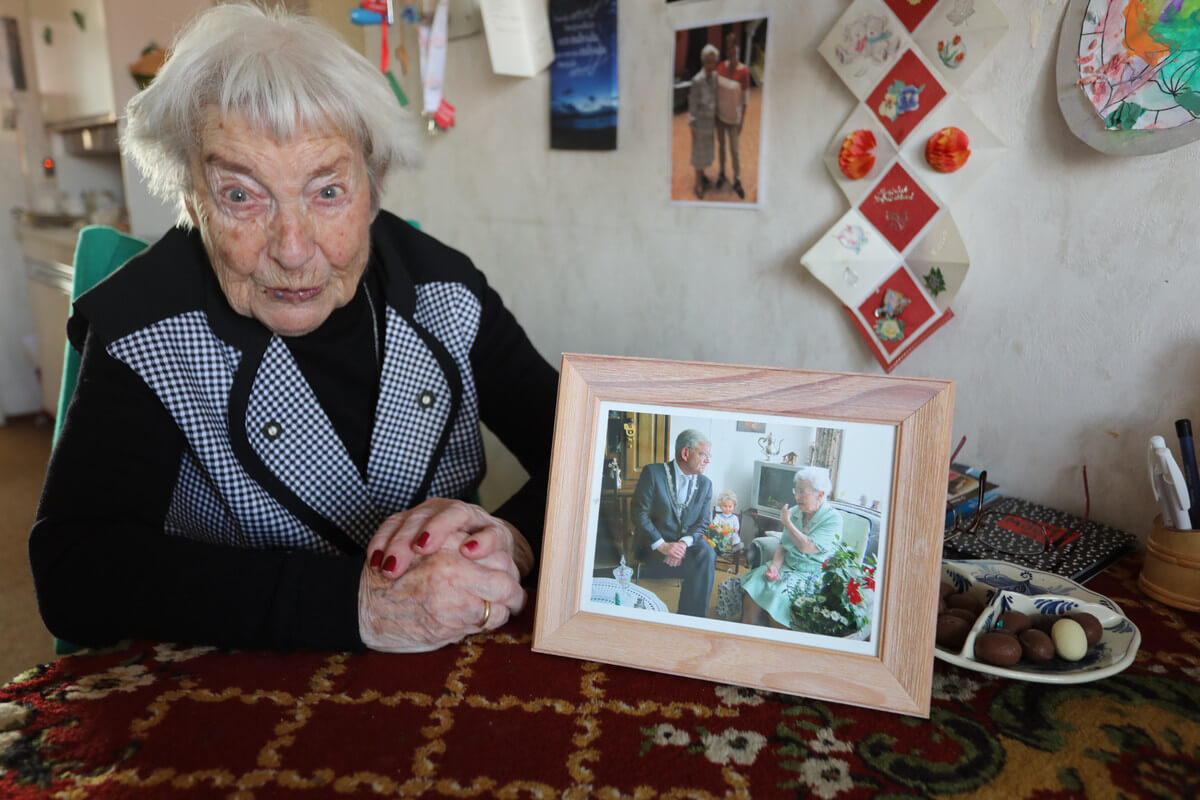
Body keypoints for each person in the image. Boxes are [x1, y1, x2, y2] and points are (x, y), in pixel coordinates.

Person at [28, 3, 558, 654]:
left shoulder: (443, 290)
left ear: (374, 183)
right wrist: (355, 604)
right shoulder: (145, 325)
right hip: (230, 692)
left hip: (439, 674)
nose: (292, 247)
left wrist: (515, 539)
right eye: (241, 196)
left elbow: (588, 457)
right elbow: (73, 573)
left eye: (327, 192)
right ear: (192, 196)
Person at [740, 467, 843, 628]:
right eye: (796, 491)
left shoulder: (833, 520)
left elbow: (807, 547)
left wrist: (787, 523)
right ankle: (744, 631)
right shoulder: (796, 512)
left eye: (802, 492)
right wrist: (774, 566)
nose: (796, 496)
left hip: (809, 574)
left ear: (820, 494)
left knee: (778, 596)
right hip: (787, 566)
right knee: (755, 584)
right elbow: (783, 546)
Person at [631, 429, 715, 617]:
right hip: (654, 544)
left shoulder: (706, 484)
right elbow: (639, 513)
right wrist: (663, 546)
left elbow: (702, 522)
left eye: (709, 456)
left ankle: (691, 617)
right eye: (703, 454)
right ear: (685, 453)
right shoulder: (653, 473)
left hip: (684, 543)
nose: (708, 460)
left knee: (707, 553)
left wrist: (682, 545)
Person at [715, 32, 750, 200]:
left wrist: (742, 121)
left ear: (738, 50)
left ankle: (737, 179)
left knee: (735, 151)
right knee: (721, 147)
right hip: (720, 117)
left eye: (734, 50)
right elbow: (716, 92)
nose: (732, 53)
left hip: (734, 120)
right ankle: (722, 173)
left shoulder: (743, 72)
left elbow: (746, 99)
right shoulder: (720, 67)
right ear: (726, 51)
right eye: (729, 50)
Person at [688, 44, 720, 199]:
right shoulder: (697, 80)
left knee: (705, 152)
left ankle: (703, 175)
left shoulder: (715, 77)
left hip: (710, 122)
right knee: (697, 154)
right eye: (708, 61)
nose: (711, 65)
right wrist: (692, 123)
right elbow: (692, 103)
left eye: (713, 61)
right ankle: (698, 184)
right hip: (699, 122)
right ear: (703, 61)